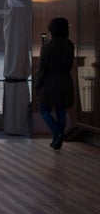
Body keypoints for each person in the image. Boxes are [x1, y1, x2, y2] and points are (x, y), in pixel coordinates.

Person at [36, 17, 75, 150]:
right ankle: (57, 138)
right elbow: (70, 64)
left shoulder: (48, 47)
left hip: (50, 83)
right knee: (61, 110)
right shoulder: (70, 45)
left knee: (43, 109)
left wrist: (38, 83)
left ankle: (58, 133)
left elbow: (42, 68)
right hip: (65, 81)